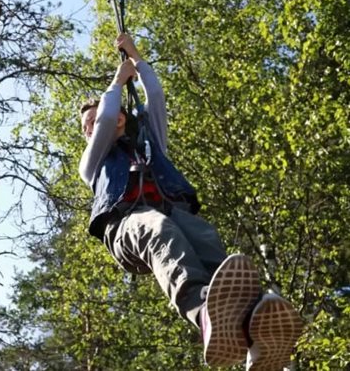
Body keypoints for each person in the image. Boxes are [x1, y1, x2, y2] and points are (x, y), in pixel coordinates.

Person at [78, 33, 303, 370]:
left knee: (205, 238)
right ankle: (202, 314)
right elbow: (106, 119)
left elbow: (154, 95)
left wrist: (137, 59)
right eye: (88, 125)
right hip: (127, 226)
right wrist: (116, 81)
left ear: (125, 114)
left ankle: (256, 337)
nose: (97, 123)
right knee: (159, 229)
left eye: (100, 115)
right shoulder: (92, 163)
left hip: (170, 211)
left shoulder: (151, 143)